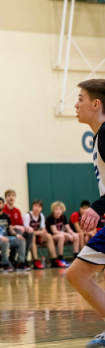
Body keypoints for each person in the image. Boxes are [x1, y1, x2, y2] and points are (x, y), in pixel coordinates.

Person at [66, 79, 105, 348]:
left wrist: (97, 207)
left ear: (96, 104)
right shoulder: (99, 135)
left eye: (80, 98)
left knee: (76, 275)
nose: (76, 104)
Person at [0, 196, 29, 271]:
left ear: (3, 204)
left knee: (21, 240)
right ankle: (5, 265)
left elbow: (10, 229)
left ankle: (20, 263)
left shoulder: (6, 217)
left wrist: (16, 234)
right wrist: (0, 236)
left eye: (0, 203)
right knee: (5, 241)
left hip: (6, 238)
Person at [23, 199, 66, 269]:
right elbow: (26, 231)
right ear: (32, 206)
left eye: (39, 206)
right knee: (32, 236)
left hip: (37, 235)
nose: (37, 208)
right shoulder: (27, 216)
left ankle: (54, 259)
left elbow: (44, 230)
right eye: (35, 206)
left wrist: (43, 233)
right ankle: (35, 260)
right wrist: (38, 232)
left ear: (41, 208)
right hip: (27, 236)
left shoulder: (41, 215)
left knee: (48, 236)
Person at [3, 189, 33, 264]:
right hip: (7, 232)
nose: (11, 197)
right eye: (9, 196)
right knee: (19, 232)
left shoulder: (17, 210)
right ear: (6, 198)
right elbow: (5, 226)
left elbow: (20, 225)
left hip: (17, 231)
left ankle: (24, 257)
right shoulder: (3, 210)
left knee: (29, 233)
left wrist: (26, 228)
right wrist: (16, 227)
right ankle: (12, 257)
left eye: (13, 195)